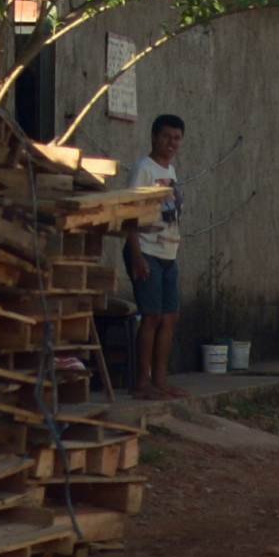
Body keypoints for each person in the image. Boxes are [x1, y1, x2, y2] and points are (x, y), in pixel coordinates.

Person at [127, 113, 187, 398]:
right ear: (154, 137)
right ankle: (142, 382)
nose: (171, 143)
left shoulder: (171, 171)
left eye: (177, 138)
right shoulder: (143, 169)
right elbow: (129, 214)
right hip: (146, 250)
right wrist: (137, 256)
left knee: (169, 317)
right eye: (166, 136)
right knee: (150, 317)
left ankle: (161, 380)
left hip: (168, 253)